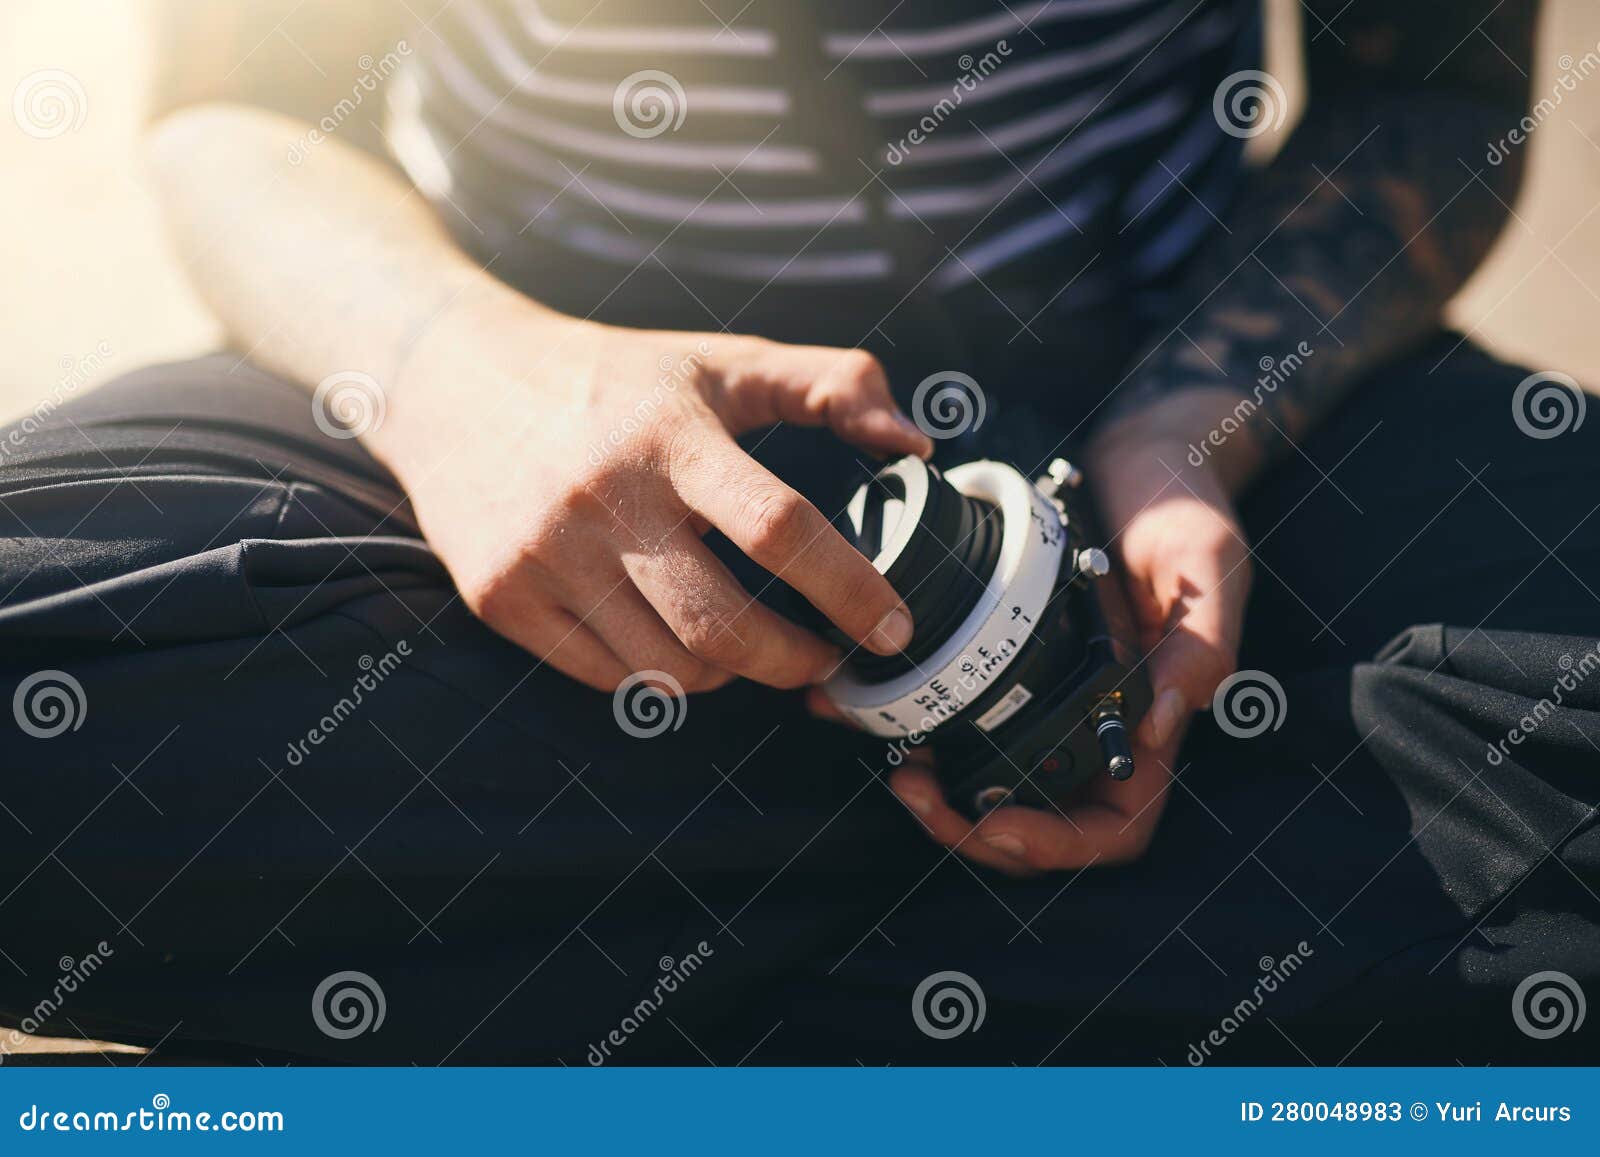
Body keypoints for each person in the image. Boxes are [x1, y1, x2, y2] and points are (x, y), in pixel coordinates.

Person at [3, 0, 1594, 1065]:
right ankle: (1197, 938)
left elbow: (1436, 87)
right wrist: (451, 368)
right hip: (537, 389)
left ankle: (578, 963)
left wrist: (1190, 423)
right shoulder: (491, 378)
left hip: (1186, 393)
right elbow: (235, 116)